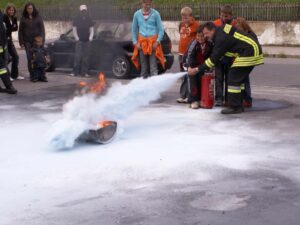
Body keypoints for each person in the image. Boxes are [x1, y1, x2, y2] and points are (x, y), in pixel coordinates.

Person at [188, 22, 263, 114]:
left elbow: (213, 59)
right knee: (238, 79)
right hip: (250, 50)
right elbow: (227, 50)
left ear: (213, 30)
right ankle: (239, 103)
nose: (205, 36)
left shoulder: (220, 38)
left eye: (206, 33)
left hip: (249, 51)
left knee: (233, 78)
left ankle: (235, 107)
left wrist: (197, 69)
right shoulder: (221, 31)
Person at [131, 0, 165, 79]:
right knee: (144, 69)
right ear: (142, 3)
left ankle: (154, 88)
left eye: (149, 4)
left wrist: (157, 42)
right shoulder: (137, 14)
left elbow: (161, 30)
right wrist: (136, 43)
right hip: (142, 44)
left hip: (153, 44)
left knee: (153, 69)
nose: (148, 6)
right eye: (146, 4)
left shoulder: (156, 14)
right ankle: (144, 88)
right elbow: (133, 30)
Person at [183, 27, 212, 109]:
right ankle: (193, 101)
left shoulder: (210, 43)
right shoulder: (194, 44)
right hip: (191, 65)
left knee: (202, 82)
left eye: (202, 36)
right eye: (198, 36)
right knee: (193, 82)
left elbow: (211, 56)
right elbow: (189, 56)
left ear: (206, 36)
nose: (200, 38)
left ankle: (200, 99)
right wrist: (189, 67)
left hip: (202, 66)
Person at [213, 5, 237, 106]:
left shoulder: (235, 25)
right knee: (218, 79)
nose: (223, 18)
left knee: (229, 79)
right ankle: (219, 98)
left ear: (231, 16)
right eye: (222, 15)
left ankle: (228, 99)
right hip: (218, 57)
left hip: (229, 57)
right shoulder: (215, 23)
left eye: (226, 16)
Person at [176, 6, 200, 104]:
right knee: (183, 75)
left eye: (186, 17)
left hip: (190, 55)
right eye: (182, 17)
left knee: (189, 76)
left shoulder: (196, 25)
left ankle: (190, 96)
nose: (184, 20)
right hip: (181, 53)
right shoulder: (181, 24)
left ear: (191, 16)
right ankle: (183, 95)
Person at [18, 2, 45, 82]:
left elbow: (42, 29)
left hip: (37, 41)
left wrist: (42, 40)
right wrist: (21, 42)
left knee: (38, 58)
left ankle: (40, 76)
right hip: (27, 41)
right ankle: (32, 76)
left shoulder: (38, 17)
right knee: (30, 58)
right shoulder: (23, 18)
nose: (30, 10)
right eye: (28, 8)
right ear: (26, 9)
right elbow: (20, 31)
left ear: (33, 8)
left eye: (31, 8)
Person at [235, 17, 258, 108]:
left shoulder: (250, 35)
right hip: (242, 59)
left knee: (245, 79)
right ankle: (243, 99)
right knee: (242, 80)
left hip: (249, 59)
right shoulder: (241, 34)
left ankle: (247, 99)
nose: (237, 29)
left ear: (244, 27)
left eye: (238, 27)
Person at [70, 4, 94, 77]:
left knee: (86, 58)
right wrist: (77, 38)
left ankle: (85, 73)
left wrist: (90, 38)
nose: (84, 12)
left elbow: (92, 30)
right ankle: (75, 72)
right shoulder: (76, 19)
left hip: (87, 41)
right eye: (82, 10)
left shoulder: (89, 19)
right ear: (80, 11)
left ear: (86, 11)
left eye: (85, 10)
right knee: (77, 57)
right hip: (79, 41)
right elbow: (74, 30)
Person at [3, 3, 23, 81]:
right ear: (7, 10)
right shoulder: (3, 17)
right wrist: (11, 27)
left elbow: (15, 28)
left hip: (10, 40)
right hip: (4, 40)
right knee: (6, 59)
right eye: (10, 10)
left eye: (13, 10)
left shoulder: (14, 18)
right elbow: (4, 29)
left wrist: (10, 28)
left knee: (15, 57)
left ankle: (14, 75)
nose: (11, 11)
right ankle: (7, 76)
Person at [0, 9, 17, 94]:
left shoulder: (1, 16)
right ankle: (9, 86)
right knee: (2, 67)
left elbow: (3, 31)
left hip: (2, 45)